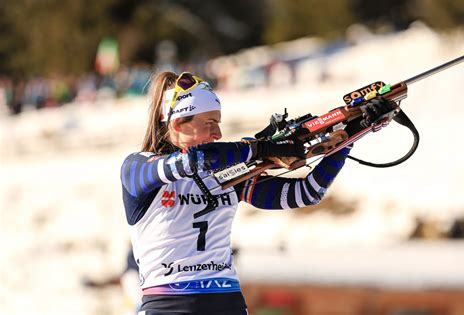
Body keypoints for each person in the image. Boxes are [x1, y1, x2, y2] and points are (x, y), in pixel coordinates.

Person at [120, 71, 392, 314]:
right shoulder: (138, 167)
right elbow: (194, 160)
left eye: (218, 122)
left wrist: (351, 136)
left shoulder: (229, 175)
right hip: (169, 306)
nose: (218, 132)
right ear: (178, 124)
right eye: (208, 124)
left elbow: (307, 193)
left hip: (227, 302)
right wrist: (260, 148)